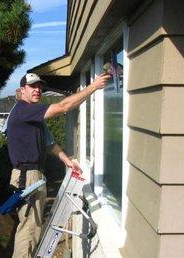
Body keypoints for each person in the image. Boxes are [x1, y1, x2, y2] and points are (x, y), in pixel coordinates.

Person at [7, 72, 109, 257]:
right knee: (29, 231)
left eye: (40, 87)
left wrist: (67, 161)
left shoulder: (32, 116)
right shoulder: (23, 109)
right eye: (33, 86)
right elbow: (63, 107)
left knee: (33, 229)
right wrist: (93, 86)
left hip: (32, 176)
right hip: (27, 177)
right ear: (22, 90)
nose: (38, 90)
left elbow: (49, 144)